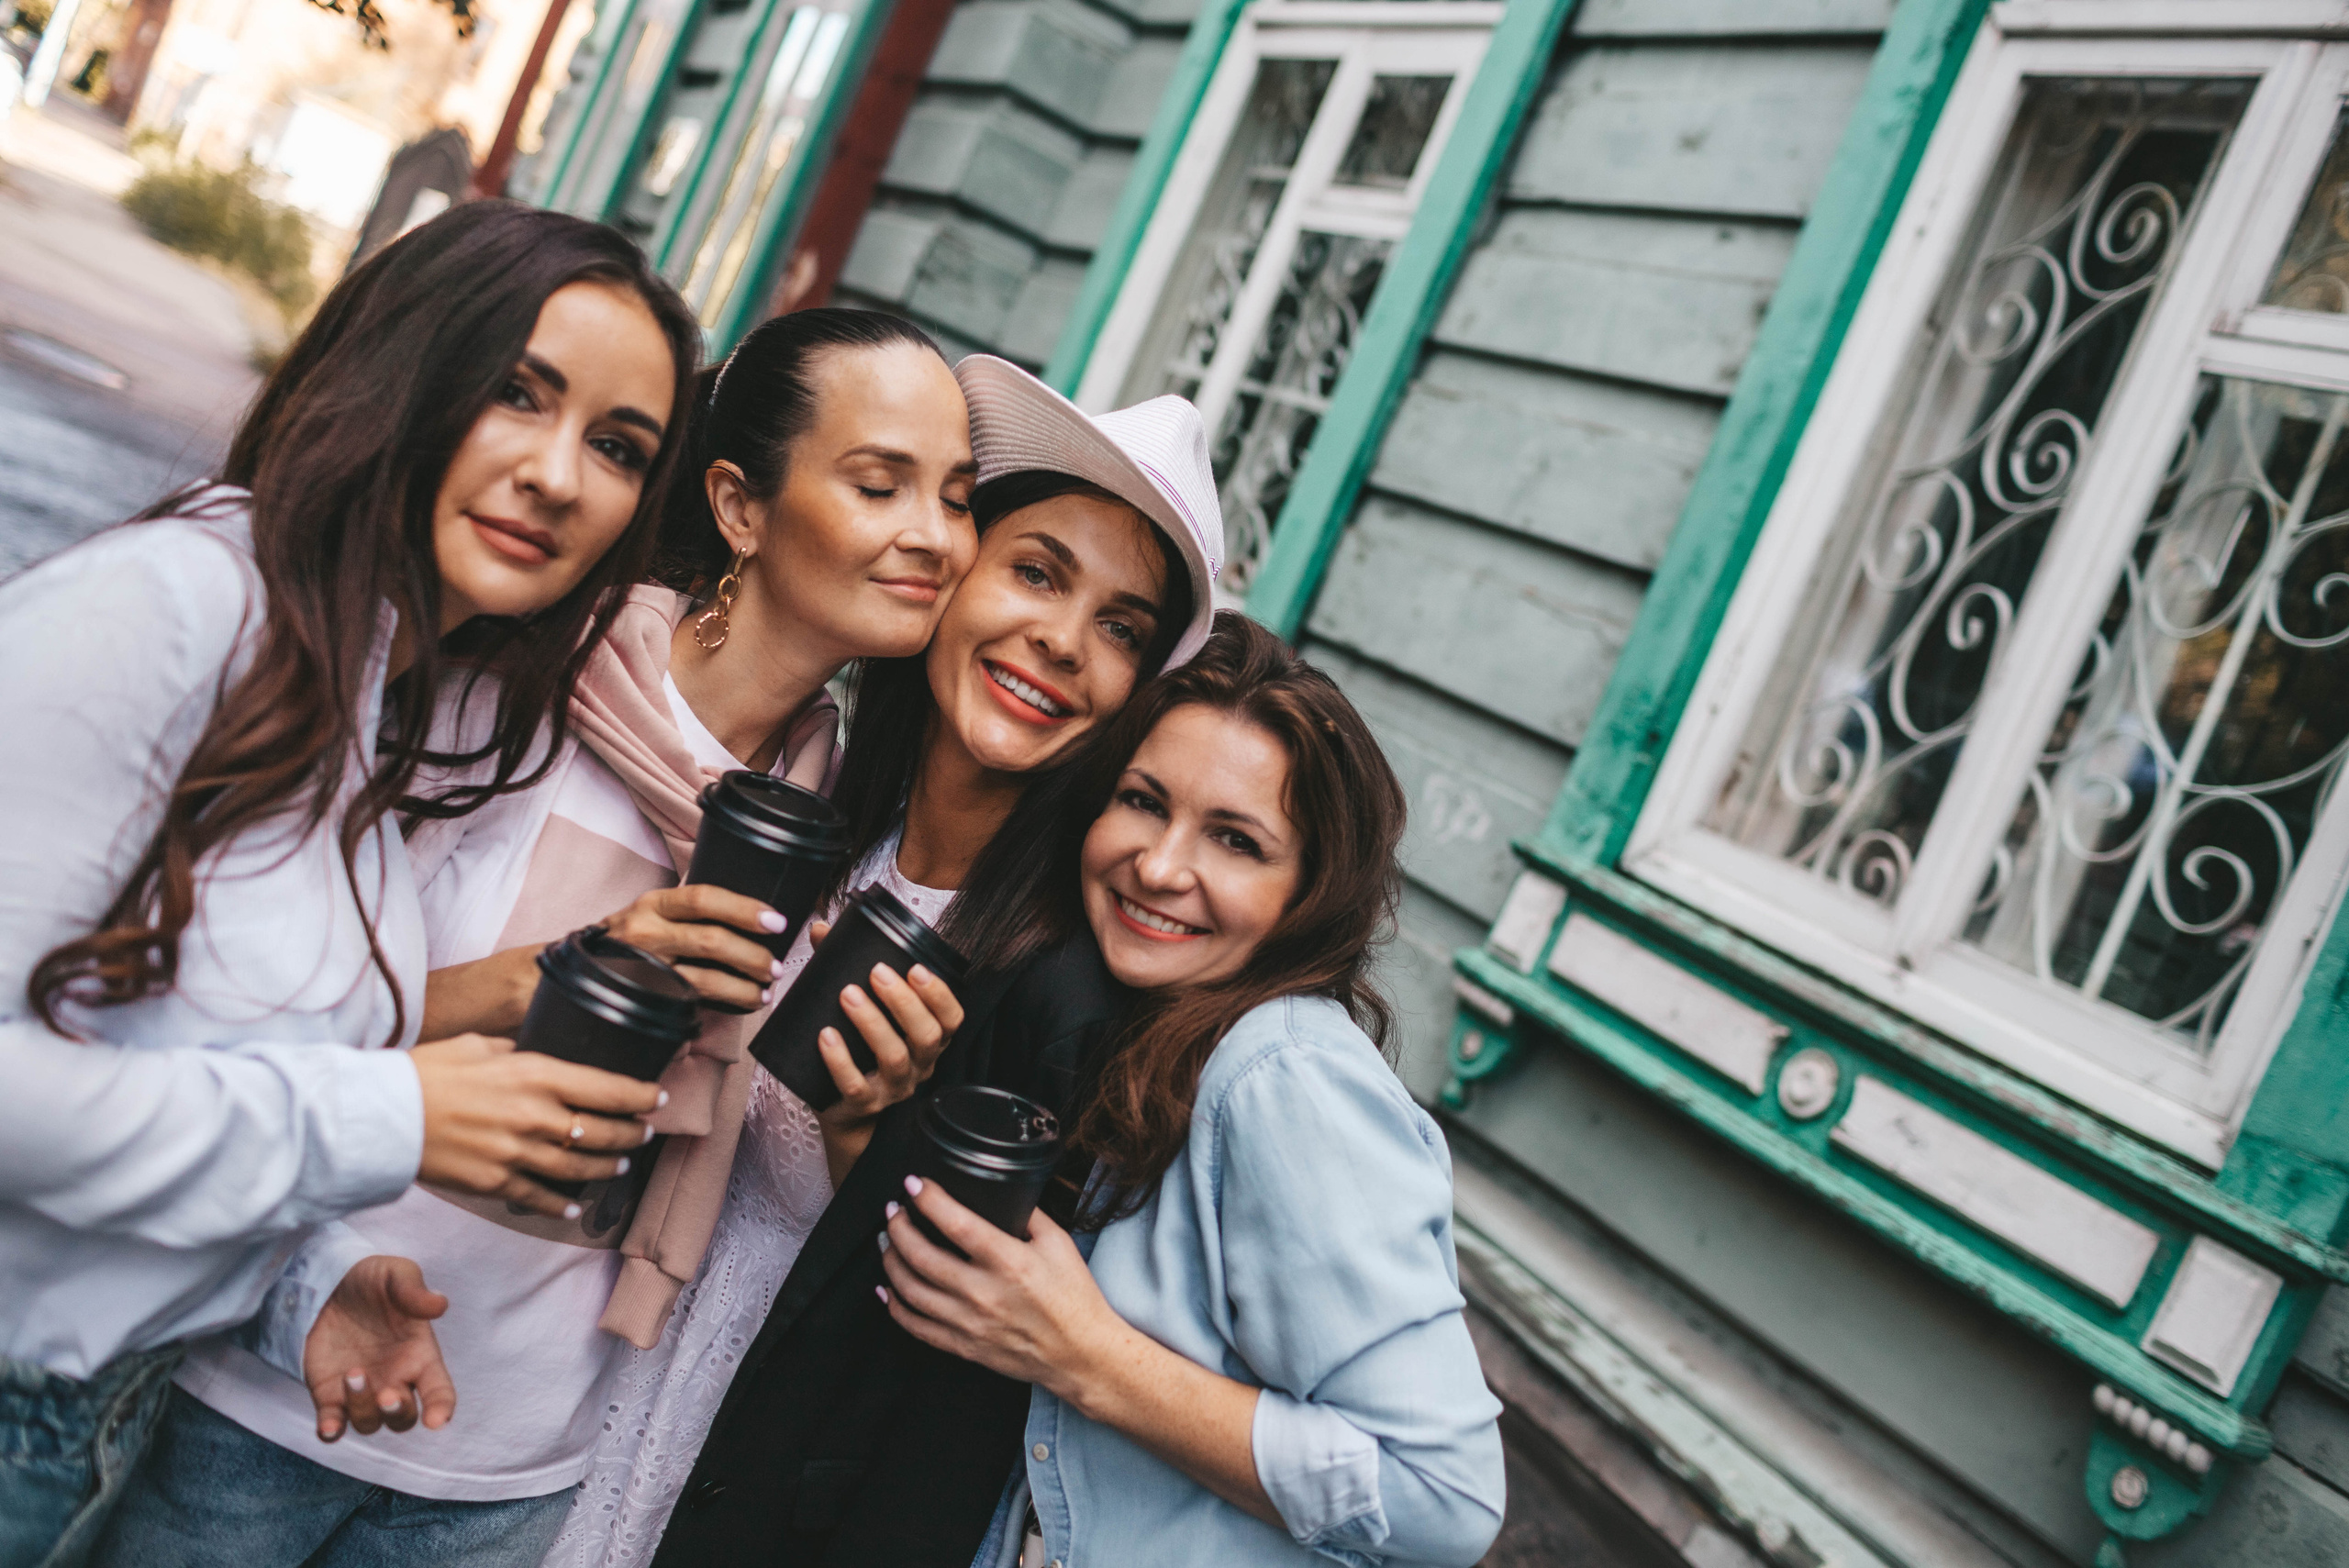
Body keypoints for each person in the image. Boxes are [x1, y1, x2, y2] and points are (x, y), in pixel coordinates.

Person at [92, 309, 980, 1568]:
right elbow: (266, 1008)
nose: (935, 538)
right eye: (881, 484)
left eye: (955, 498)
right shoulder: (520, 684)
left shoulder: (836, 813)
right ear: (738, 504)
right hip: (270, 1389)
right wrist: (574, 969)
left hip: (514, 1467)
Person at [0, 200, 700, 1568]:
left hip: (95, 1424)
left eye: (618, 448)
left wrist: (297, 1285)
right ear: (405, 368)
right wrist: (391, 1111)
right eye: (518, 393)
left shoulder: (367, 710)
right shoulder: (178, 607)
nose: (560, 475)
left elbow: (168, 1067)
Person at [624, 357, 1223, 1568]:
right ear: (954, 574)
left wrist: (874, 1133)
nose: (1062, 642)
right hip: (588, 1375)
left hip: (743, 1474)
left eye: (1121, 627)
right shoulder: (818, 792)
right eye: (1038, 572)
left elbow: (949, 1385)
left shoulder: (1061, 989)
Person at [876, 614, 1508, 1568]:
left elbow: (1443, 1494)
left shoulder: (1280, 1074)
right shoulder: (1147, 1030)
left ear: (1307, 893)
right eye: (1141, 800)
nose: (1161, 866)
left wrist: (1086, 1355)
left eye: (1236, 840)